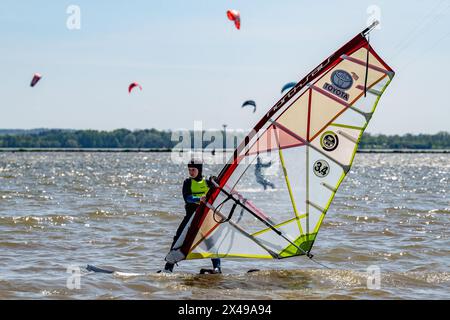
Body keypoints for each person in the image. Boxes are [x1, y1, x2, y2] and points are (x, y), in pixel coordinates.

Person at [159, 159, 221, 274]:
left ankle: (217, 268)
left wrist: (216, 182)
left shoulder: (207, 182)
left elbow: (218, 190)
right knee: (178, 239)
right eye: (189, 170)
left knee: (210, 241)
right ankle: (168, 268)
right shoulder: (187, 182)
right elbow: (187, 198)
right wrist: (199, 199)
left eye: (193, 170)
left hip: (204, 218)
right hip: (190, 217)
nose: (191, 172)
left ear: (200, 170)